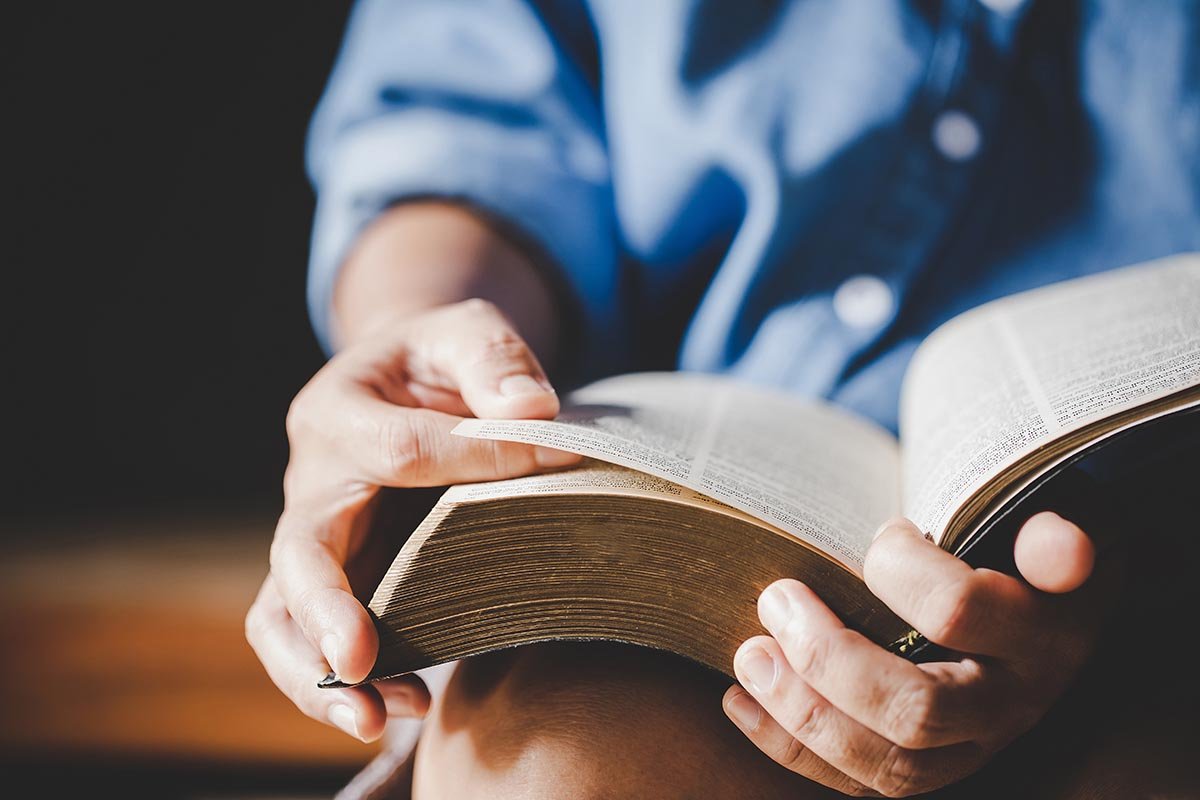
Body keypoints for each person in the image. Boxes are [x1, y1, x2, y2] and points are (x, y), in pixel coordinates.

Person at [244, 1, 1200, 796]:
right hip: (657, 533)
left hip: (1147, 587)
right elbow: (470, 120)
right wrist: (420, 331)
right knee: (558, 755)